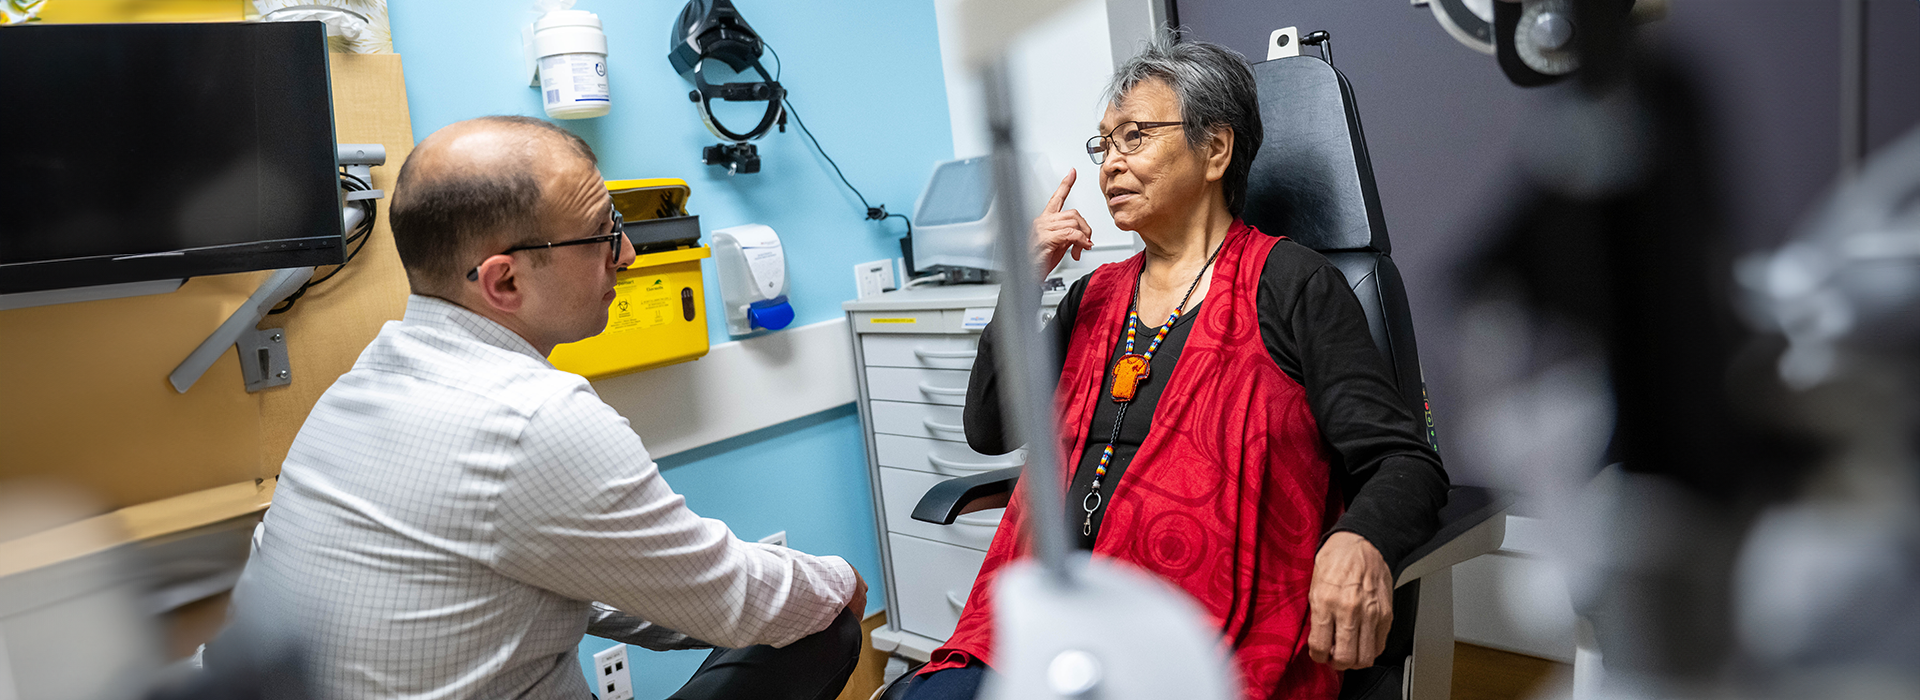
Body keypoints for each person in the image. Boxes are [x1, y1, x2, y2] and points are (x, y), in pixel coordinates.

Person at [213, 116, 866, 700]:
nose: (629, 254)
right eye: (603, 235)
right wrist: (839, 580)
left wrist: (708, 601)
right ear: (505, 280)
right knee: (825, 626)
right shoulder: (536, 420)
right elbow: (740, 600)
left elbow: (569, 573)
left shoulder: (357, 390)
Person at [901, 40, 1447, 700]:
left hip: (1200, 637)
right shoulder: (1093, 295)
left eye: (1135, 136)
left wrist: (1360, 539)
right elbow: (990, 429)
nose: (1110, 166)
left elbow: (1403, 461)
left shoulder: (1291, 283)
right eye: (1104, 145)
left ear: (1215, 149)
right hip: (1043, 627)